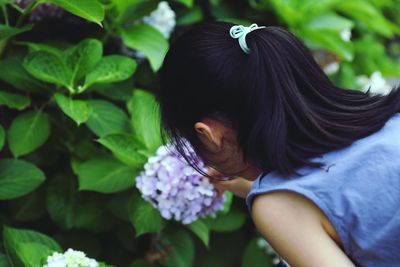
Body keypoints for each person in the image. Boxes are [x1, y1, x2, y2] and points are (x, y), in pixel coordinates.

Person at [157, 20, 400, 267]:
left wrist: (273, 197)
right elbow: (341, 191)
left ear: (209, 134)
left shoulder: (276, 207)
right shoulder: (388, 117)